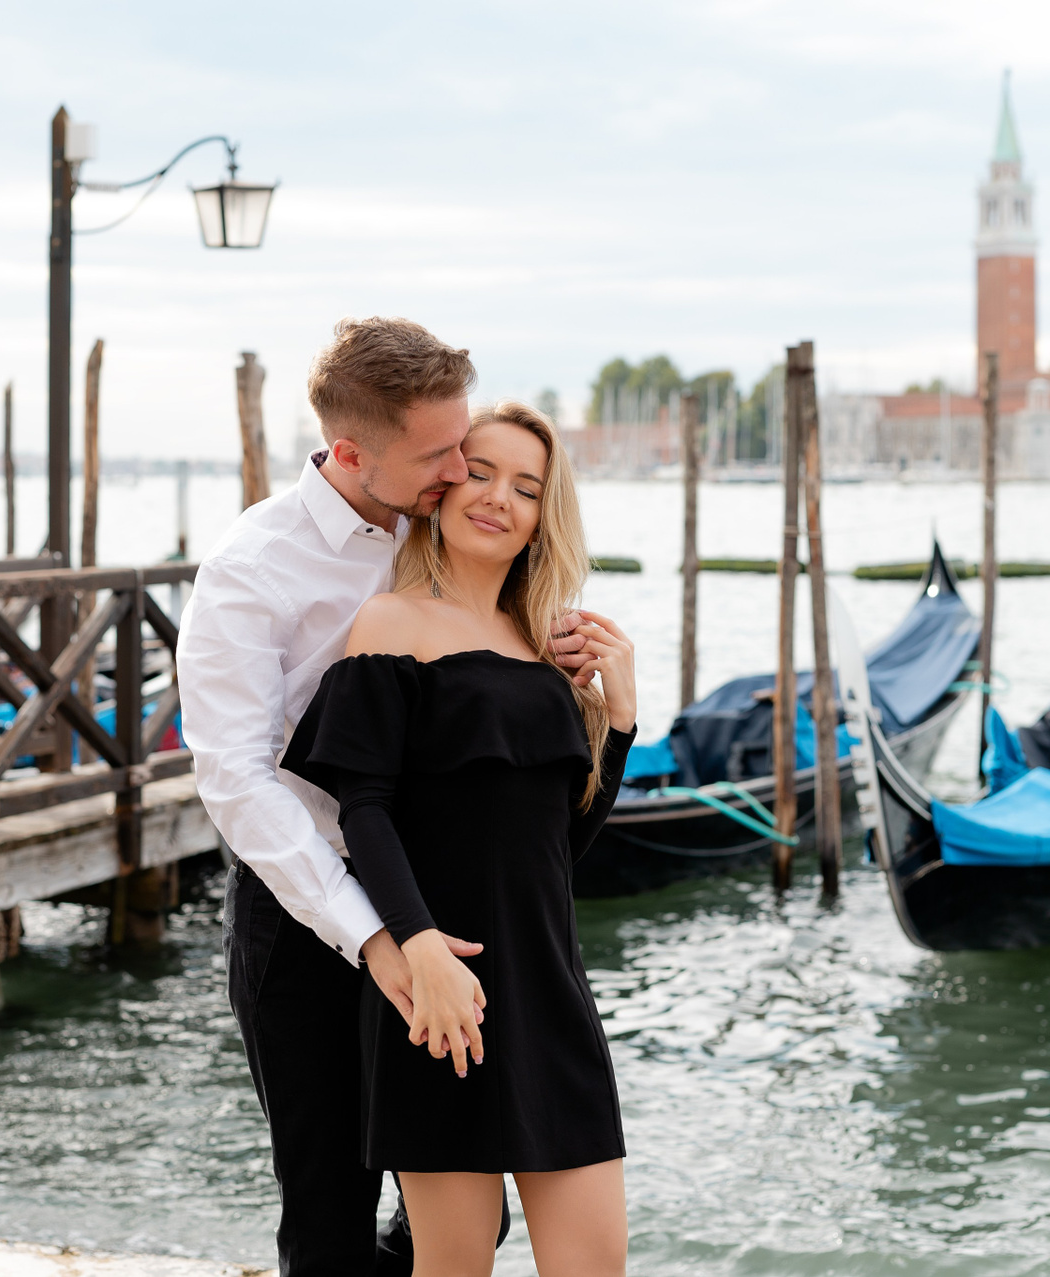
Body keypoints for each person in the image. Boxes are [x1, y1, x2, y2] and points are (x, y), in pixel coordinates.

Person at [178, 320, 585, 1274]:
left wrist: (546, 659)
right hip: (310, 919)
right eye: (439, 455)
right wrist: (373, 934)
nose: (461, 470)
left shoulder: (443, 519)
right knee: (329, 1210)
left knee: (471, 1210)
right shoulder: (250, 569)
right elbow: (236, 779)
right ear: (352, 452)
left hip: (444, 905)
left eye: (462, 442)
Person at [281, 400, 637, 1275]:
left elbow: (558, 850)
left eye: (527, 487)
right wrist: (417, 943)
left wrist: (620, 722)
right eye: (479, 472)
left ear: (543, 517)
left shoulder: (541, 647)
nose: (498, 497)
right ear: (441, 486)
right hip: (442, 989)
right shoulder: (390, 622)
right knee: (454, 1266)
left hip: (551, 990)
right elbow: (364, 809)